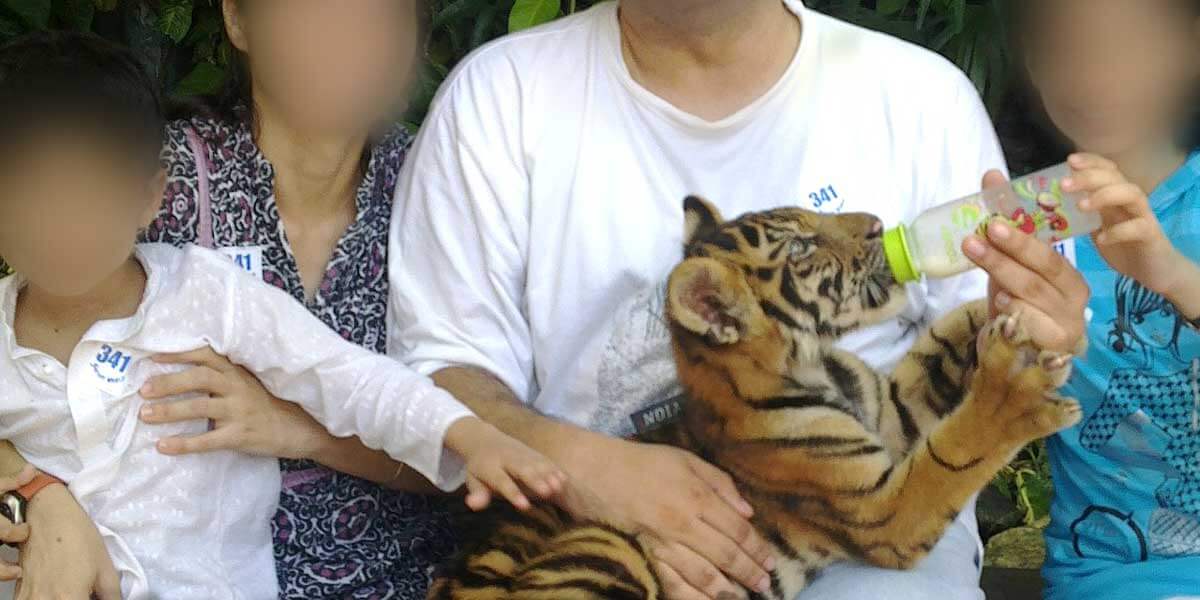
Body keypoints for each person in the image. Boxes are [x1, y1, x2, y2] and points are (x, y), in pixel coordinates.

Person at [390, 0, 1089, 598]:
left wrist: (1036, 332)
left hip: (865, 545)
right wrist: (590, 471)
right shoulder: (500, 97)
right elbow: (440, 375)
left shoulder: (918, 96)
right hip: (587, 528)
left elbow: (992, 346)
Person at [0, 30, 564, 599]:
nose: (62, 223)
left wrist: (468, 435)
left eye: (87, 193)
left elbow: (346, 375)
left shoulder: (203, 293)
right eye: (33, 193)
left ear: (149, 198)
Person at [1003, 1, 1200, 598]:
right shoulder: (1018, 229)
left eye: (1131, 45)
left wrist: (1173, 277)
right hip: (1117, 577)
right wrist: (1009, 351)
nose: (1097, 74)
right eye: (1066, 45)